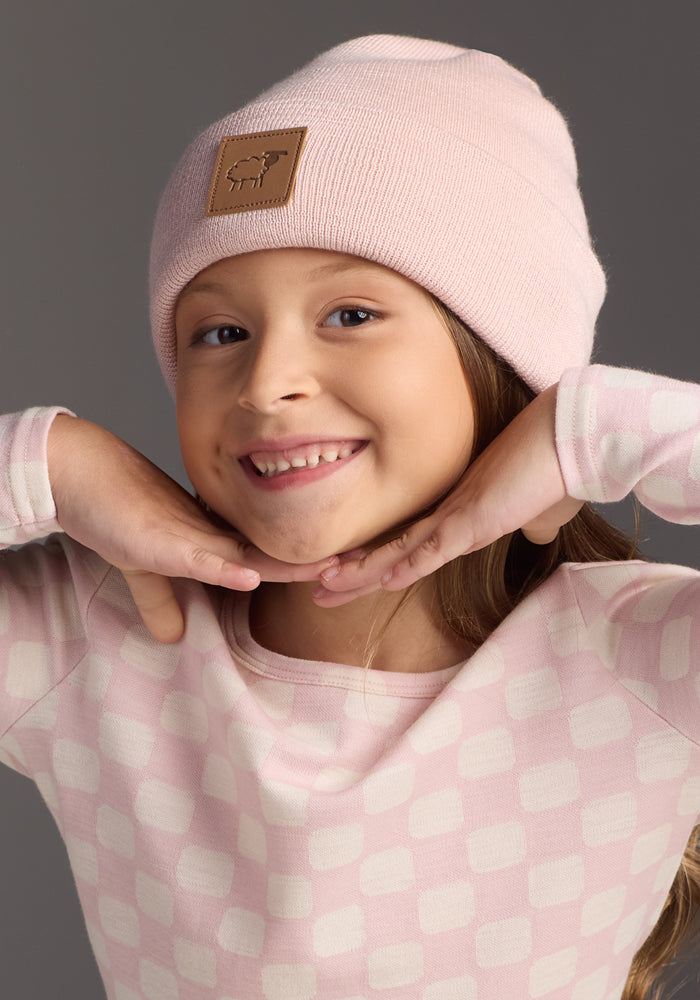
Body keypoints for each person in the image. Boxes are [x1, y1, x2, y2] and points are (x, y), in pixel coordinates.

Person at [1, 33, 698, 1000]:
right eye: (220, 332)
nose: (268, 382)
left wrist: (598, 426)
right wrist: (43, 459)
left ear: (497, 361)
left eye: (352, 315)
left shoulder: (643, 663)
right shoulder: (91, 640)